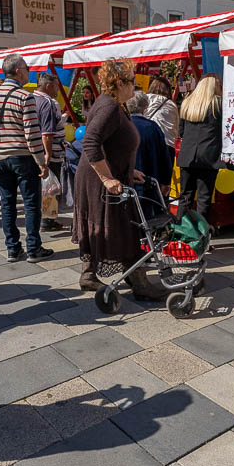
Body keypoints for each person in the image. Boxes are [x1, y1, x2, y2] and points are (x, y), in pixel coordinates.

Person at [72, 60, 164, 298]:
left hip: (104, 173)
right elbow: (91, 142)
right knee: (126, 227)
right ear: (119, 83)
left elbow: (112, 143)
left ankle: (89, 274)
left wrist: (128, 168)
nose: (135, 85)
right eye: (132, 80)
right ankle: (140, 283)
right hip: (98, 179)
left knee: (109, 223)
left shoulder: (116, 105)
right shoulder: (109, 106)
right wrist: (106, 178)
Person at [0, 54, 52, 262]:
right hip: (23, 157)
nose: (28, 71)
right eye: (26, 67)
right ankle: (34, 248)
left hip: (0, 157)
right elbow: (32, 133)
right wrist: (42, 162)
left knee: (7, 203)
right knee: (31, 203)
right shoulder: (25, 96)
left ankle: (13, 248)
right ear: (17, 71)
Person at [176, 76, 234, 218]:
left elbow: (181, 131)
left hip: (187, 156)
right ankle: (200, 236)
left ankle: (180, 233)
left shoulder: (187, 103)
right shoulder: (220, 104)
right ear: (215, 87)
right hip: (208, 157)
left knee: (185, 198)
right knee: (204, 199)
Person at [126, 91, 171, 220]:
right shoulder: (152, 127)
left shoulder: (122, 125)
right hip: (149, 182)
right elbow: (164, 157)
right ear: (145, 107)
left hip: (126, 181)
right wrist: (165, 182)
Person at [34, 70, 65, 231]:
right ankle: (48, 220)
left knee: (43, 186)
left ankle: (46, 218)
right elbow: (48, 133)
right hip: (50, 152)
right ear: (48, 85)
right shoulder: (49, 102)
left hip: (34, 149)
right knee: (51, 186)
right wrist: (48, 154)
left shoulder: (31, 98)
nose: (57, 90)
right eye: (56, 86)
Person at [145, 77, 179, 150]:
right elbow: (176, 128)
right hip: (167, 144)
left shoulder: (145, 99)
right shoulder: (171, 105)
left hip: (148, 141)